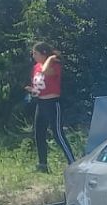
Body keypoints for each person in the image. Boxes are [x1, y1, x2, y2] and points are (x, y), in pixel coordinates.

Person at [27, 41, 74, 173]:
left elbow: (46, 71)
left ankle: (72, 162)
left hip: (52, 103)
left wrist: (51, 58)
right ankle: (42, 164)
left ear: (43, 54)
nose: (33, 56)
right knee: (39, 134)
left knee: (57, 134)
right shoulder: (36, 67)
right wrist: (33, 91)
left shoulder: (55, 64)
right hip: (40, 103)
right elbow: (39, 85)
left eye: (35, 53)